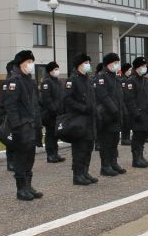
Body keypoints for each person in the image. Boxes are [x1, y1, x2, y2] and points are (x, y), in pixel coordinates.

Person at [3, 50, 43, 200]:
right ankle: (21, 189)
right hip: (21, 126)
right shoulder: (14, 80)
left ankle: (28, 185)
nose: (30, 65)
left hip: (32, 126)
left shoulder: (30, 81)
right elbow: (10, 106)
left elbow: (35, 105)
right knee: (20, 158)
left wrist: (38, 125)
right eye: (28, 62)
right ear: (20, 64)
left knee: (29, 157)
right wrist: (17, 126)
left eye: (32, 62)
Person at [64, 53, 98, 185]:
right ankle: (77, 175)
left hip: (90, 119)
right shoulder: (72, 80)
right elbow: (67, 99)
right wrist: (83, 108)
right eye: (86, 63)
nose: (88, 65)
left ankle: (85, 172)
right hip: (79, 120)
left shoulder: (88, 79)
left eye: (88, 62)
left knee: (88, 147)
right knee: (80, 148)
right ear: (79, 65)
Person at [94, 53, 126, 176]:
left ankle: (114, 163)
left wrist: (121, 111)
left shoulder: (116, 77)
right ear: (108, 64)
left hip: (116, 116)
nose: (117, 65)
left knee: (114, 141)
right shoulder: (101, 77)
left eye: (118, 62)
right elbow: (103, 96)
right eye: (115, 63)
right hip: (106, 116)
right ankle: (105, 166)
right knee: (106, 142)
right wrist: (114, 110)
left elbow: (119, 97)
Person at [124, 57, 148, 167]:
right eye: (142, 66)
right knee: (137, 136)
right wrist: (136, 112)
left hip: (146, 113)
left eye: (145, 66)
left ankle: (141, 157)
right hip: (138, 114)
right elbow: (129, 99)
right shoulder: (131, 81)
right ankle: (136, 159)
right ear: (137, 67)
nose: (144, 68)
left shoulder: (145, 80)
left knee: (143, 136)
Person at [40, 61, 65, 163]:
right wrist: (54, 110)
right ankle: (50, 154)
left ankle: (55, 153)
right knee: (50, 134)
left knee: (56, 134)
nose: (57, 71)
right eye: (55, 69)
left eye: (57, 69)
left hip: (58, 113)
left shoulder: (58, 82)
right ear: (50, 71)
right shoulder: (46, 82)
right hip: (49, 113)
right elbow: (46, 99)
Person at [119, 63, 133, 146]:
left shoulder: (129, 79)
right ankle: (124, 139)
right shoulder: (122, 80)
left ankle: (127, 138)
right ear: (125, 71)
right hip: (124, 104)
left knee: (128, 122)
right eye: (129, 70)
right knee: (125, 122)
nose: (130, 71)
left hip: (129, 104)